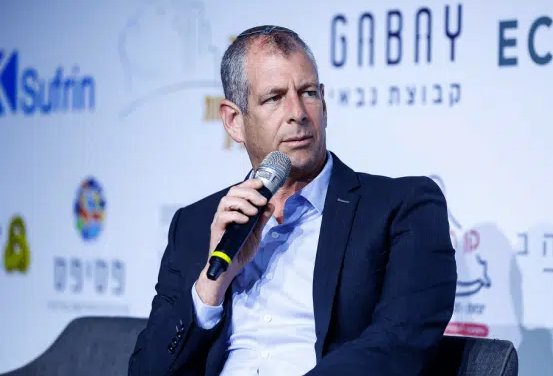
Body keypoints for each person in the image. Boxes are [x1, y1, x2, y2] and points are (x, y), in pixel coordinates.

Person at [128, 25, 457, 376]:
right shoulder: (196, 225)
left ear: (324, 104)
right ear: (234, 120)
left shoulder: (403, 208)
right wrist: (212, 286)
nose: (298, 112)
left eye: (308, 93)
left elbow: (397, 344)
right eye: (274, 98)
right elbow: (147, 371)